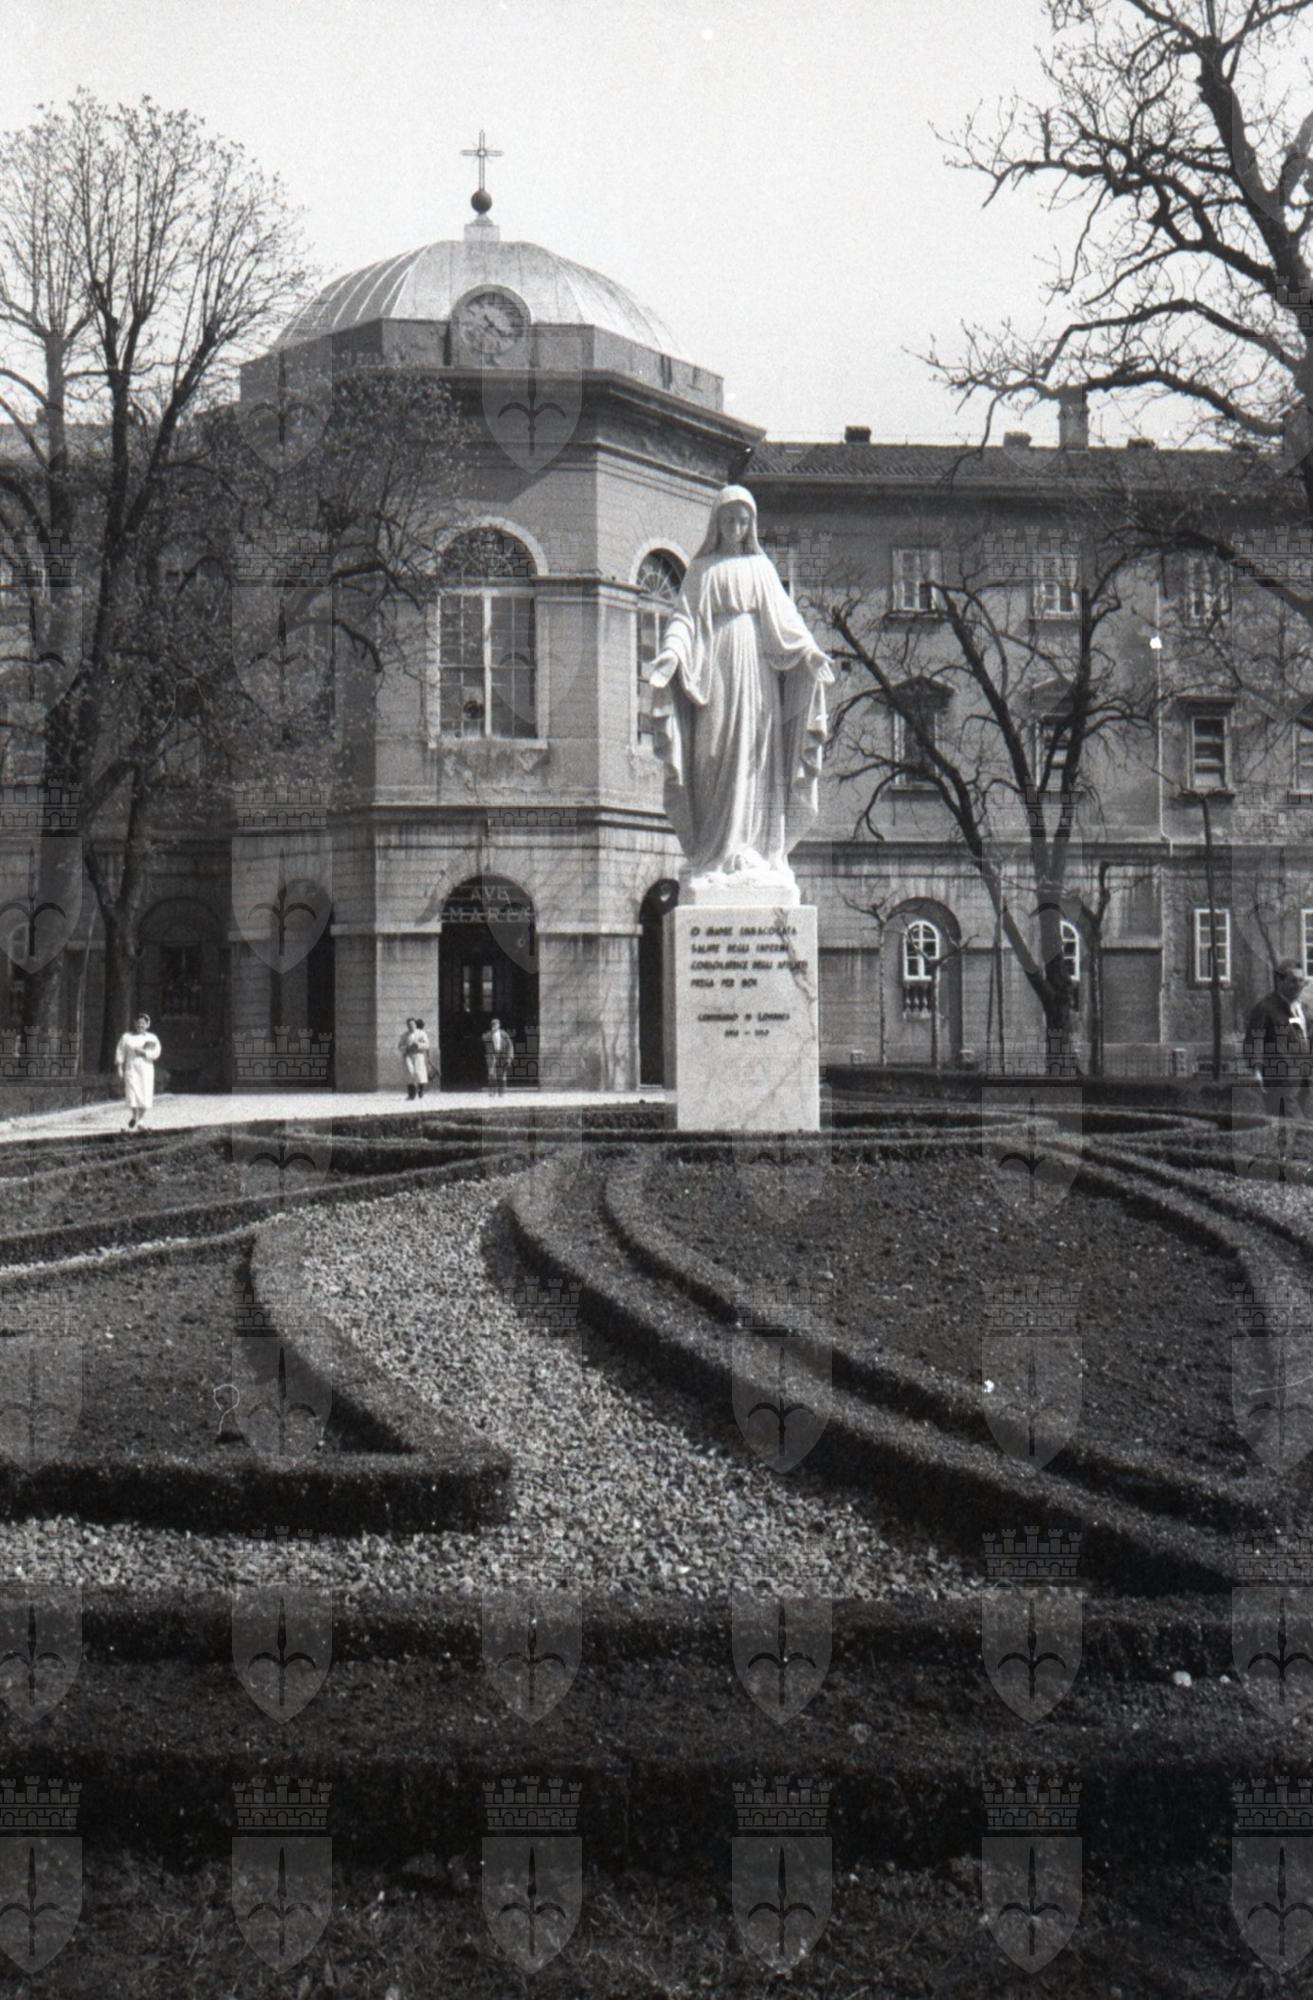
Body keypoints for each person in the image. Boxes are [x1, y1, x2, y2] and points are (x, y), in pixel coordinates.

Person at [648, 485, 833, 900]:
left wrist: (809, 652)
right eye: (729, 519)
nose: (736, 527)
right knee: (712, 753)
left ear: (751, 525)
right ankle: (714, 853)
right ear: (717, 523)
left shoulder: (761, 569)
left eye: (743, 520)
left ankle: (754, 851)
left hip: (756, 670)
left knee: (755, 756)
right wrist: (672, 654)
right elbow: (683, 620)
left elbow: (786, 619)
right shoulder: (702, 570)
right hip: (714, 669)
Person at [1244, 960, 1312, 1142]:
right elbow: (1255, 1039)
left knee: (1295, 1129)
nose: (1298, 985)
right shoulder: (1266, 1008)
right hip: (1279, 1079)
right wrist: (1256, 1071)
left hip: (1303, 1080)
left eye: (1301, 981)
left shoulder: (1304, 1009)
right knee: (1297, 1127)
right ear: (1280, 981)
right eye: (1293, 981)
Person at [115, 1013, 162, 1131]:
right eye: (138, 1023)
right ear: (134, 1023)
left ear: (147, 1024)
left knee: (145, 1093)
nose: (140, 1025)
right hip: (131, 1068)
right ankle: (134, 1115)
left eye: (143, 1023)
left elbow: (157, 1053)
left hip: (146, 1069)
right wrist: (119, 1067)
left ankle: (141, 1121)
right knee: (132, 1093)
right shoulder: (126, 1037)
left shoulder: (152, 1038)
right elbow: (120, 1052)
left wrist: (145, 1053)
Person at [398, 1016, 431, 1101]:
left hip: (418, 1055)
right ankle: (411, 1094)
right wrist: (406, 1047)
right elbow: (400, 1046)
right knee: (410, 1074)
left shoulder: (421, 1033)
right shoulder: (404, 1035)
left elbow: (427, 1045)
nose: (411, 1026)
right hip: (408, 1056)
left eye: (412, 1024)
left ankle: (421, 1090)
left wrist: (418, 1045)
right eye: (409, 1025)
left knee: (419, 1074)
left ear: (415, 1024)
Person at [483, 1017, 513, 1096]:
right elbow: (483, 1039)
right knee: (492, 1074)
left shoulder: (503, 1034)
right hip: (492, 1055)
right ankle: (492, 1091)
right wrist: (490, 1033)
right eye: (493, 1025)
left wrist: (509, 1057)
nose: (495, 1026)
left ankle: (501, 1092)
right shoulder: (488, 1034)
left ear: (499, 1025)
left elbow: (510, 1045)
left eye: (496, 1024)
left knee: (502, 1074)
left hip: (502, 1055)